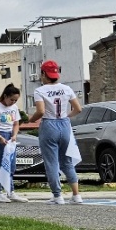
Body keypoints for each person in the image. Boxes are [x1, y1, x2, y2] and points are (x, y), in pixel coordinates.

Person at [27, 60, 83, 205]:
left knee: (51, 162)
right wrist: (66, 117)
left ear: (44, 74)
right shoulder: (67, 88)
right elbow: (78, 109)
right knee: (67, 161)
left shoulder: (40, 90)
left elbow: (40, 111)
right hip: (64, 124)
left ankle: (57, 195)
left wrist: (30, 120)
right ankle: (76, 195)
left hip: (49, 124)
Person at [0, 84, 29, 203]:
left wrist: (14, 135)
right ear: (5, 96)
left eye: (15, 100)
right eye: (11, 99)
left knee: (11, 165)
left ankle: (10, 191)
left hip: (10, 137)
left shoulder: (13, 108)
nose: (13, 102)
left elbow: (16, 123)